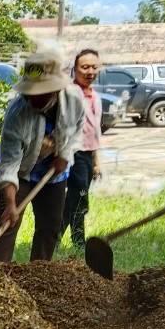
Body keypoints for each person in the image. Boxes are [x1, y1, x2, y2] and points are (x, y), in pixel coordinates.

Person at [0, 46, 85, 263]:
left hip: (54, 173)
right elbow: (10, 163)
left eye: (40, 92)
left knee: (50, 226)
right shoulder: (17, 113)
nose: (33, 97)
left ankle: (39, 273)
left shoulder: (74, 101)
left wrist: (65, 155)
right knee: (7, 223)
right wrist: (11, 203)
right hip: (21, 172)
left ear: (55, 89)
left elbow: (78, 127)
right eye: (30, 92)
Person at [61, 49, 103, 249]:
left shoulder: (95, 96)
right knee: (78, 199)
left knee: (75, 199)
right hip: (73, 154)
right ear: (75, 69)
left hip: (87, 156)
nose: (90, 71)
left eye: (94, 67)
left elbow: (95, 131)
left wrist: (97, 162)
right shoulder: (70, 92)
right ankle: (77, 242)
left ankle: (58, 238)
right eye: (84, 67)